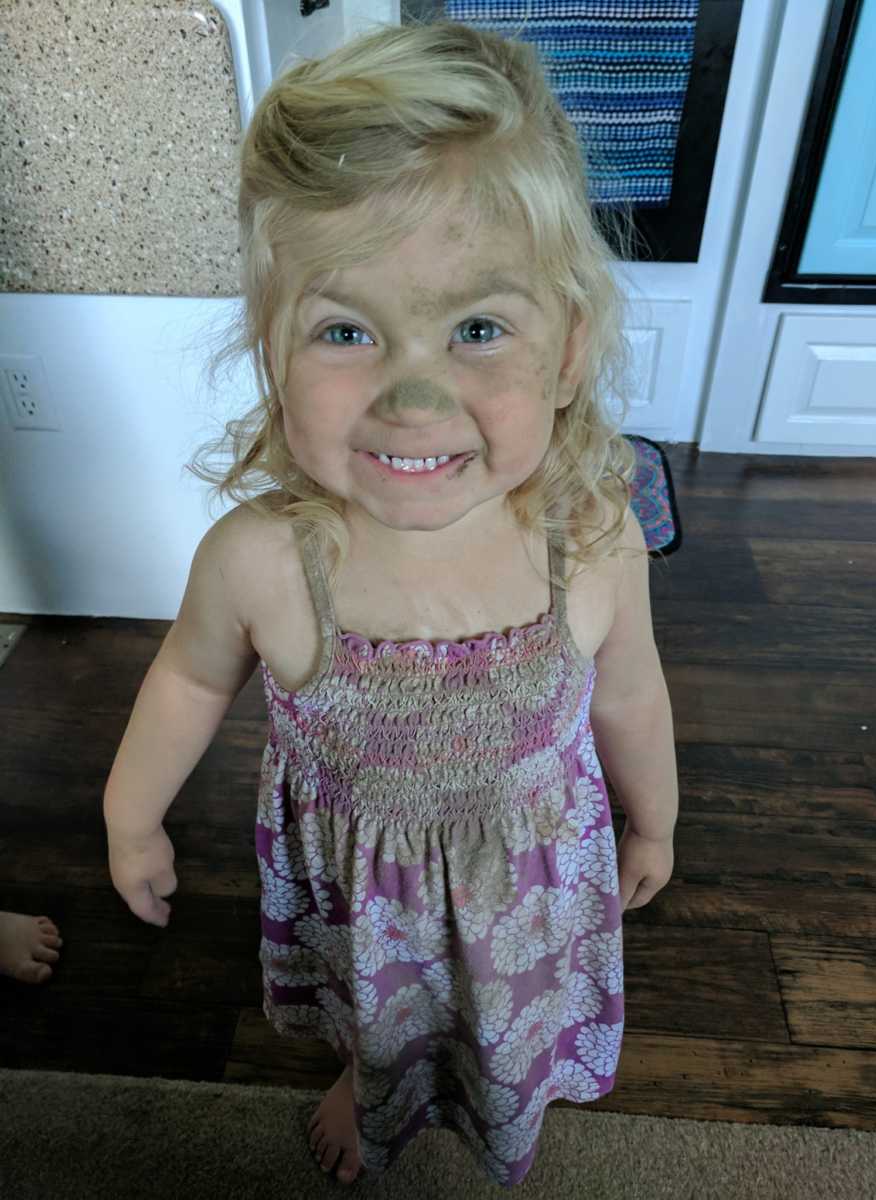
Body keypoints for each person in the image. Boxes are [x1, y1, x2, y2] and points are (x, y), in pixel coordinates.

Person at [29, 15, 679, 1190]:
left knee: (505, 1024)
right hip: (360, 895)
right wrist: (130, 817)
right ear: (272, 353)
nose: (413, 397)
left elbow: (629, 688)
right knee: (374, 1014)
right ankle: (364, 1074)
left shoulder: (590, 540)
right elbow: (183, 677)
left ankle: (502, 1090)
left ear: (571, 348)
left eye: (478, 328)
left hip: (525, 896)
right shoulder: (263, 560)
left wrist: (656, 817)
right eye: (345, 331)